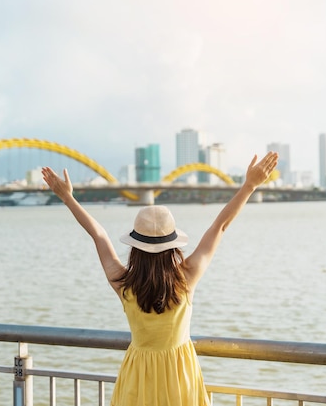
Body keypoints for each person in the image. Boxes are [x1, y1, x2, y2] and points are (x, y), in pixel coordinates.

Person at [41, 151, 279, 406]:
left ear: (135, 246)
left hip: (137, 379)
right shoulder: (186, 278)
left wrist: (68, 198)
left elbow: (98, 235)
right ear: (173, 246)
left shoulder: (123, 284)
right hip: (180, 379)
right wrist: (249, 186)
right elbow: (219, 226)